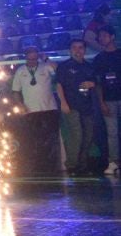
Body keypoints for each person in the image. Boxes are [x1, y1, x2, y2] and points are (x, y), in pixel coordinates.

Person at [10, 46, 60, 175]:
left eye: (34, 58)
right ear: (25, 57)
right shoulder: (20, 71)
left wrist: (46, 58)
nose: (32, 61)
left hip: (49, 109)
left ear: (38, 56)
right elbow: (15, 91)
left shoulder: (45, 66)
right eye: (29, 58)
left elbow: (58, 69)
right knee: (33, 140)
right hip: (30, 111)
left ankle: (51, 167)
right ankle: (36, 167)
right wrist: (20, 106)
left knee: (50, 140)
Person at [56, 39, 99, 176]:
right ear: (70, 50)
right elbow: (59, 85)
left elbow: (96, 83)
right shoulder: (64, 66)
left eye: (80, 48)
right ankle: (72, 165)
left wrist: (92, 83)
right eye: (74, 47)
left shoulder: (89, 66)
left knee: (88, 136)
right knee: (77, 136)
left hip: (87, 106)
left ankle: (83, 165)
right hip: (71, 105)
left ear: (84, 50)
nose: (77, 50)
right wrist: (63, 102)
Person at [93, 26, 121, 174]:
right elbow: (98, 83)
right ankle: (114, 162)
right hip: (109, 99)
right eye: (100, 36)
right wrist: (102, 102)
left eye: (104, 35)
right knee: (112, 133)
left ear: (112, 37)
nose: (101, 39)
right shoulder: (99, 59)